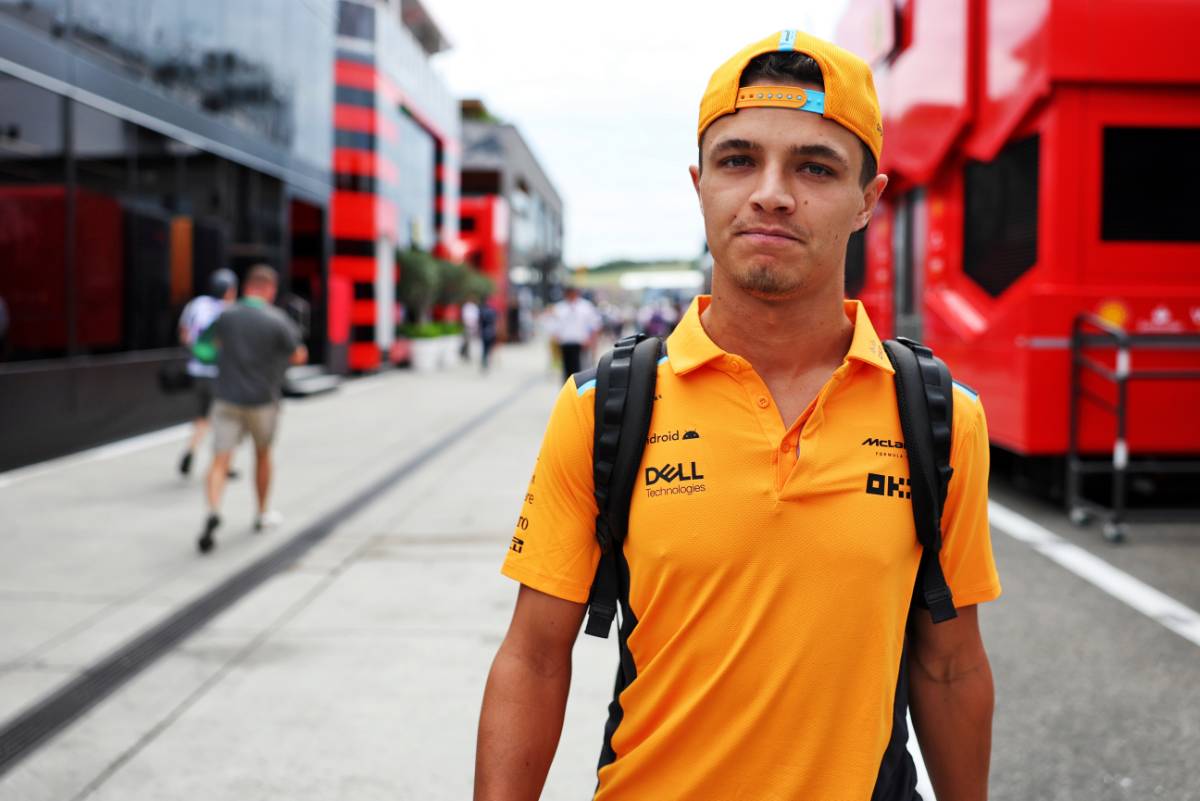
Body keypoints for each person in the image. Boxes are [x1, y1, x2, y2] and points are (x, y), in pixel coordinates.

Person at [476, 29, 1001, 801]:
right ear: (700, 185)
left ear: (868, 200)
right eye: (738, 159)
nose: (771, 192)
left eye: (815, 167)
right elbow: (533, 656)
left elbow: (950, 663)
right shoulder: (605, 407)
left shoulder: (939, 415)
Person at [199, 264, 307, 554]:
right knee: (262, 455)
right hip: (263, 400)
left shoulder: (226, 316)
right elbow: (298, 354)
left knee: (220, 460)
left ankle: (212, 510)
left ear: (247, 287)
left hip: (226, 398)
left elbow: (204, 347)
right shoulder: (277, 319)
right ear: (269, 289)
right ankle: (261, 514)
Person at [176, 269, 238, 477]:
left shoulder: (196, 304)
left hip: (196, 369)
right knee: (228, 419)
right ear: (230, 290)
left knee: (203, 416)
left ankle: (191, 449)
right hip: (221, 373)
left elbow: (185, 335)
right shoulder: (231, 311)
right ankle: (224, 464)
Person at [547, 286, 601, 383]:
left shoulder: (586, 307)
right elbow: (554, 327)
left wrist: (591, 341)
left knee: (581, 369)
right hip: (565, 343)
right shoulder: (560, 308)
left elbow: (594, 325)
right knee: (566, 370)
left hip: (581, 343)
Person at [478, 298, 499, 373]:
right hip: (491, 332)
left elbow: (479, 322)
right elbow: (496, 322)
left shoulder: (482, 311)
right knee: (489, 348)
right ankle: (487, 361)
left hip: (484, 332)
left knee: (484, 348)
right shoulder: (493, 311)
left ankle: (484, 361)